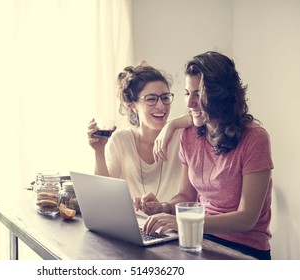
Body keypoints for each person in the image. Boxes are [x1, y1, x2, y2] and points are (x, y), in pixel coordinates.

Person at [136, 51, 274, 260]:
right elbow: (186, 196)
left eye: (198, 94)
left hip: (245, 251)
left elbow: (247, 219)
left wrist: (186, 221)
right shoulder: (190, 135)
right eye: (187, 93)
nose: (190, 103)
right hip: (200, 241)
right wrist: (163, 207)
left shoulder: (255, 138)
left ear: (221, 95)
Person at [87, 61, 192, 207]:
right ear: (133, 105)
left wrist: (172, 125)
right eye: (151, 99)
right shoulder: (121, 140)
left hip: (171, 225)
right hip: (133, 225)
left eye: (165, 97)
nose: (161, 106)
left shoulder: (183, 135)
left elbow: (205, 117)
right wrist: (99, 151)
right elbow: (103, 197)